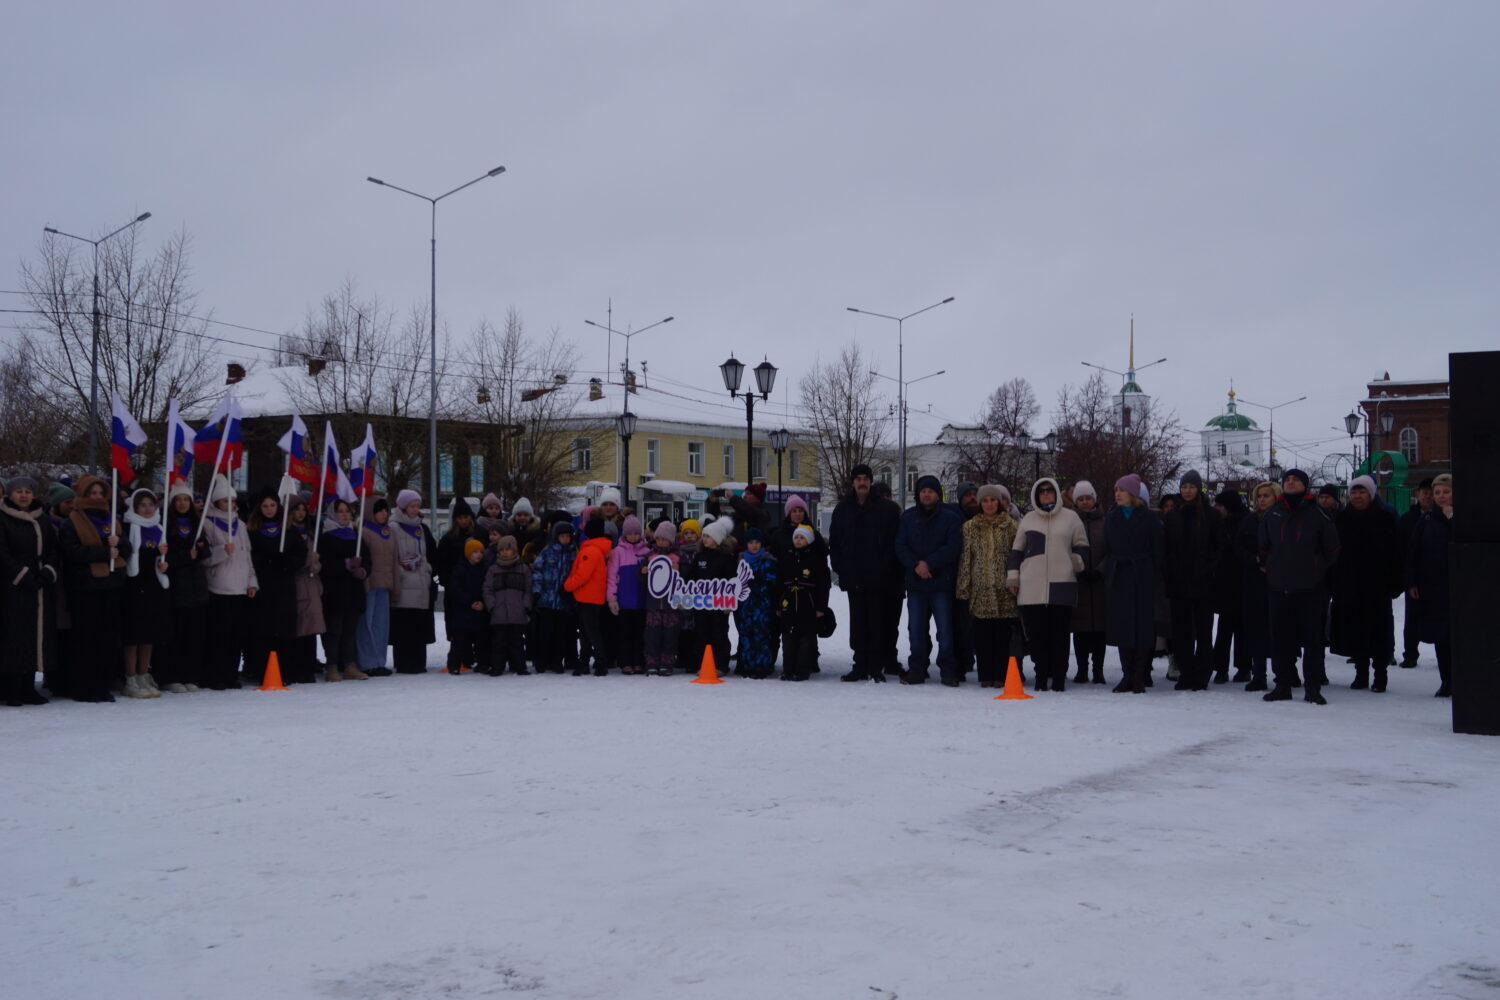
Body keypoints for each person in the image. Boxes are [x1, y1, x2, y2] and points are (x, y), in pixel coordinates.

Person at [1259, 468, 1340, 705]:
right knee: (1280, 639)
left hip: (1310, 588)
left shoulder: (1318, 514)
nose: (1291, 482)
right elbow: (1263, 546)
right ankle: (1282, 684)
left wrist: (1316, 567)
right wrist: (1270, 565)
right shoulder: (1273, 513)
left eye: (1296, 480)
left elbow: (1332, 549)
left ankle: (1312, 687)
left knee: (1312, 640)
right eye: (1287, 480)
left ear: (1305, 485)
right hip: (1278, 587)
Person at [56, 473, 133, 701]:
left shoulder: (112, 520)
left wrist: (119, 544)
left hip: (111, 586)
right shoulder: (73, 520)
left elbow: (126, 548)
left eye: (101, 493)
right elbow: (71, 552)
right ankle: (84, 686)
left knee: (107, 638)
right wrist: (103, 553)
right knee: (85, 639)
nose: (97, 497)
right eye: (93, 493)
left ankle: (103, 683)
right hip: (85, 588)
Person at [1007, 477, 1088, 691]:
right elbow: (1017, 551)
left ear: (1055, 493)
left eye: (1049, 490)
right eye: (1041, 491)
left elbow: (1082, 545)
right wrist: (1013, 576)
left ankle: (1059, 677)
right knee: (1037, 636)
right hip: (1031, 586)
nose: (1045, 494)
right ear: (1036, 494)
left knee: (1060, 636)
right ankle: (1041, 676)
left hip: (1062, 583)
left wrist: (1078, 561)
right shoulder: (1028, 520)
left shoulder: (1071, 518)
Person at [829, 464, 902, 683]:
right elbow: (835, 541)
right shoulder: (843, 509)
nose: (862, 482)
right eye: (858, 478)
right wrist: (840, 567)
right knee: (858, 622)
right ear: (853, 482)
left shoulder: (886, 509)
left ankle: (876, 666)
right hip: (854, 576)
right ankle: (859, 664)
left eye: (865, 479)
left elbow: (893, 542)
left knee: (877, 622)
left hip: (878, 577)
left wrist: (885, 567)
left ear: (870, 481)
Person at [1330, 475, 1401, 692]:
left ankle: (1381, 674)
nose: (1358, 496)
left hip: (1378, 583)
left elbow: (1397, 552)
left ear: (1371, 494)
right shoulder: (1342, 518)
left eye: (1362, 492)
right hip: (1349, 582)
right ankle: (1361, 673)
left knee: (1379, 630)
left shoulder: (1385, 516)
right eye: (1354, 492)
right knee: (1356, 629)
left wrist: (1395, 582)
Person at [895, 474, 964, 686]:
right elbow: (900, 546)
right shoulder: (907, 517)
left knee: (945, 630)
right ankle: (917, 668)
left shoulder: (951, 518)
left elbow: (953, 547)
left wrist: (929, 564)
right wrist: (916, 565)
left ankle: (948, 670)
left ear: (937, 494)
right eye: (923, 491)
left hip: (941, 583)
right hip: (916, 584)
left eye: (931, 491)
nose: (926, 494)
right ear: (918, 494)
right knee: (915, 630)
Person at [1099, 474, 1164, 693]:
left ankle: (1139, 674)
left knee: (1143, 625)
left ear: (1133, 494)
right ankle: (1127, 674)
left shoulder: (1149, 518)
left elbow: (1158, 551)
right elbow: (1108, 548)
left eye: (1122, 490)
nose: (1117, 493)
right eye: (1116, 489)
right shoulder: (1112, 517)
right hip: (1119, 576)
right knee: (1122, 625)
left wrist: (1151, 575)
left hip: (1142, 574)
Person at [1162, 470, 1225, 691]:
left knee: (1204, 631)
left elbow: (1219, 548)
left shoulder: (1211, 515)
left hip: (1203, 582)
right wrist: (1171, 572)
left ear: (1198, 489)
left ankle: (1202, 674)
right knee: (1181, 632)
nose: (1187, 491)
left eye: (1191, 486)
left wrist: (1208, 569)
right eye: (1184, 487)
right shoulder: (1172, 516)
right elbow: (1166, 549)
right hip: (1179, 583)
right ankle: (1186, 673)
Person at [0, 476, 58, 705]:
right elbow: (2, 553)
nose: (24, 495)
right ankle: (12, 687)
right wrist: (23, 575)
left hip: (40, 585)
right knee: (14, 637)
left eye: (28, 491)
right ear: (10, 495)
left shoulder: (42, 519)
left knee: (36, 637)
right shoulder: (3, 518)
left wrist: (48, 572)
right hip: (12, 586)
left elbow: (54, 549)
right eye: (19, 492)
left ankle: (28, 685)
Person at [955, 484, 1020, 689]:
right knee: (982, 636)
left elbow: (1016, 557)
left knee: (1002, 636)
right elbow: (967, 558)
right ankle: (986, 675)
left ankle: (1000, 674)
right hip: (980, 588)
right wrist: (964, 587)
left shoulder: (1011, 526)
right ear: (980, 504)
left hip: (1004, 589)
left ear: (999, 502)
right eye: (985, 500)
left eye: (993, 500)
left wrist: (1015, 580)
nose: (989, 504)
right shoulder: (971, 527)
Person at [201, 474, 255, 691]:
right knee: (219, 634)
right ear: (217, 503)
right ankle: (215, 674)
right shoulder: (207, 523)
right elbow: (204, 558)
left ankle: (231, 672)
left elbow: (247, 555)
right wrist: (222, 551)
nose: (230, 505)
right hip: (219, 587)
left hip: (239, 587)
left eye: (233, 501)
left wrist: (252, 581)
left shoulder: (240, 524)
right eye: (226, 501)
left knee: (235, 635)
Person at [158, 483, 210, 693]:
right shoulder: (166, 525)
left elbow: (205, 553)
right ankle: (172, 675)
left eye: (186, 499)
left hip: (196, 586)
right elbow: (165, 559)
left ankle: (191, 674)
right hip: (176, 586)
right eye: (178, 499)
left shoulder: (197, 525)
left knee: (193, 633)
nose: (182, 503)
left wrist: (201, 549)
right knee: (175, 634)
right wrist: (183, 557)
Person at [1406, 473, 1454, 697]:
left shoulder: (1465, 517)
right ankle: (1447, 681)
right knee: (1442, 636)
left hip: (1462, 588)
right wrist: (1412, 581)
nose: (1441, 496)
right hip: (1435, 587)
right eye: (1437, 492)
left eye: (1446, 491)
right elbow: (1414, 553)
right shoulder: (1425, 521)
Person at [120, 488, 170, 698]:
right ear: (135, 507)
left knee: (149, 633)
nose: (147, 509)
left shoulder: (160, 527)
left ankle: (143, 673)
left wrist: (165, 562)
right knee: (134, 634)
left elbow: (162, 558)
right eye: (143, 505)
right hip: (134, 584)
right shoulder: (129, 526)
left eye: (151, 504)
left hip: (153, 584)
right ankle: (130, 676)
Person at [768, 495, 826, 671]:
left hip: (808, 591)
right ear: (789, 513)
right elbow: (774, 559)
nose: (798, 514)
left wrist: (821, 603)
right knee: (785, 631)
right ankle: (785, 663)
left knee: (808, 632)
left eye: (801, 511)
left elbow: (822, 566)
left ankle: (808, 662)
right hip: (786, 589)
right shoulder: (780, 534)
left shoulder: (814, 534)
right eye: (794, 511)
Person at [1236, 482, 1279, 691]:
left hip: (1278, 581)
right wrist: (1253, 560)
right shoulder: (1249, 521)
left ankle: (1284, 673)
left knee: (1279, 629)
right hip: (1253, 582)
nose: (1262, 500)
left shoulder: (1283, 518)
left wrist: (1271, 563)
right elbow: (1238, 547)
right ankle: (1258, 674)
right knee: (1256, 629)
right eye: (1259, 496)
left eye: (1267, 496)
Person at [319, 498, 369, 681]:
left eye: (347, 511)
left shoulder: (355, 535)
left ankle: (349, 664)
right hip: (334, 592)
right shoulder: (325, 537)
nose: (345, 514)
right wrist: (344, 564)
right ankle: (332, 665)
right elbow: (323, 564)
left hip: (353, 591)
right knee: (334, 630)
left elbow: (367, 558)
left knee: (350, 631)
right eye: (340, 511)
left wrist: (363, 570)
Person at [389, 490, 437, 674]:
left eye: (417, 506)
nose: (415, 509)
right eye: (412, 506)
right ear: (403, 507)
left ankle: (418, 662)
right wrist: (401, 572)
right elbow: (393, 555)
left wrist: (426, 570)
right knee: (403, 624)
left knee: (418, 624)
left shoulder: (420, 528)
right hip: (404, 580)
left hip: (420, 580)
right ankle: (403, 662)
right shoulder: (394, 527)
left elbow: (425, 554)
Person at [683, 516, 737, 674]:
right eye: (704, 536)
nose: (704, 539)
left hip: (719, 605)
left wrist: (729, 602)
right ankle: (702, 664)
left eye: (708, 536)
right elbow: (690, 577)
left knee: (719, 633)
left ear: (717, 538)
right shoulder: (700, 556)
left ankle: (720, 665)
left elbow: (732, 582)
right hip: (701, 604)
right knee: (701, 634)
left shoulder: (727, 558)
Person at [777, 525, 830, 681]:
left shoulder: (816, 560)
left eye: (802, 538)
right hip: (788, 604)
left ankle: (802, 670)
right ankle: (788, 669)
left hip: (808, 605)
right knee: (788, 639)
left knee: (806, 640)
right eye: (796, 537)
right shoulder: (786, 558)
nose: (798, 540)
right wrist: (778, 604)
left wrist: (821, 607)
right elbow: (779, 583)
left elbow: (823, 585)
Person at [1069, 480, 1108, 685]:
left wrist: (1101, 570)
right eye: (1081, 499)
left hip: (1100, 583)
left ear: (1094, 499)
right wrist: (1079, 569)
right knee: (1081, 630)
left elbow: (1112, 550)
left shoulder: (1105, 522)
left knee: (1099, 631)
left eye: (1088, 498)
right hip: (1079, 582)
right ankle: (1082, 669)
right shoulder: (1070, 522)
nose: (1085, 502)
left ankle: (1098, 670)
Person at [283, 495, 326, 683]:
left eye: (303, 509)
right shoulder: (287, 532)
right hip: (296, 582)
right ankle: (297, 666)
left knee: (311, 627)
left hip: (311, 583)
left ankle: (309, 664)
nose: (300, 513)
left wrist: (316, 564)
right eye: (297, 509)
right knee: (299, 626)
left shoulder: (309, 531)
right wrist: (307, 561)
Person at [1211, 489, 1250, 684]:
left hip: (1242, 581)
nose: (1217, 509)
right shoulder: (1221, 523)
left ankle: (1243, 667)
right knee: (1225, 628)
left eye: (1220, 505)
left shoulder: (1245, 522)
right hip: (1225, 581)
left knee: (1240, 628)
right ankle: (1221, 668)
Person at [564, 518, 613, 675]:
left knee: (591, 633)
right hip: (592, 596)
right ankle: (584, 661)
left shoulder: (590, 550)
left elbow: (582, 574)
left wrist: (567, 586)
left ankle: (599, 663)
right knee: (587, 632)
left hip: (587, 596)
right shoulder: (597, 549)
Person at [531, 521, 580, 674]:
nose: (565, 539)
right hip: (546, 599)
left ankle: (557, 661)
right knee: (545, 633)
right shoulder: (547, 552)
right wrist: (537, 591)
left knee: (560, 634)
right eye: (562, 536)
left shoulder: (574, 553)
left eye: (568, 536)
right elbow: (537, 571)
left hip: (563, 601)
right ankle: (542, 661)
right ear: (556, 537)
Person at [1396, 478, 1435, 668]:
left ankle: (1444, 653)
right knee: (1412, 618)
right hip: (1415, 577)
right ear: (1417, 494)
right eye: (1424, 492)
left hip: (1438, 577)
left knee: (1441, 618)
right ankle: (1410, 654)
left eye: (1431, 492)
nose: (1427, 496)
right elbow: (1402, 551)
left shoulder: (1444, 517)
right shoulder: (1407, 519)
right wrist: (1408, 579)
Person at [483, 535, 533, 675]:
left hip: (517, 613)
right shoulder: (493, 569)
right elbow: (487, 589)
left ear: (514, 550)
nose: (504, 552)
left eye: (508, 549)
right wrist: (492, 606)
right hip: (498, 613)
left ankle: (519, 667)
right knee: (498, 643)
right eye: (502, 550)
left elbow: (528, 589)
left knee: (517, 642)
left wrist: (525, 606)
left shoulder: (523, 569)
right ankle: (497, 667)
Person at [607, 515, 650, 675]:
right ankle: (625, 662)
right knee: (624, 634)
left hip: (641, 601)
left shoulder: (647, 552)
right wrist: (611, 597)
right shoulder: (617, 552)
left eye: (636, 533)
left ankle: (638, 661)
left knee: (640, 633)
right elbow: (612, 576)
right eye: (630, 533)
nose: (633, 536)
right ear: (625, 534)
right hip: (624, 601)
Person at [734, 526, 778, 678]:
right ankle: (747, 665)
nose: (754, 545)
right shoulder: (740, 561)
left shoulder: (767, 561)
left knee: (761, 636)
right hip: (745, 606)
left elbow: (773, 581)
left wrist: (761, 583)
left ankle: (761, 666)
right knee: (746, 636)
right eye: (751, 542)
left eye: (757, 542)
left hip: (762, 606)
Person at [642, 521, 681, 676]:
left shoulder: (678, 556)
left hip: (671, 604)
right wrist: (643, 572)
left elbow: (686, 578)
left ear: (671, 540)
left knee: (670, 635)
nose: (661, 542)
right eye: (658, 539)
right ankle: (651, 662)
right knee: (652, 634)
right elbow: (642, 579)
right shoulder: (650, 556)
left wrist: (680, 570)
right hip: (653, 604)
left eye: (665, 539)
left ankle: (667, 662)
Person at [444, 538, 488, 673]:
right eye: (475, 551)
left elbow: (487, 588)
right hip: (462, 611)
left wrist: (482, 602)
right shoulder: (459, 569)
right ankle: (454, 665)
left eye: (481, 552)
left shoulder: (484, 569)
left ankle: (483, 663)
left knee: (481, 640)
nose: (478, 554)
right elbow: (456, 589)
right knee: (459, 641)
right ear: (468, 553)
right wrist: (470, 602)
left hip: (479, 610)